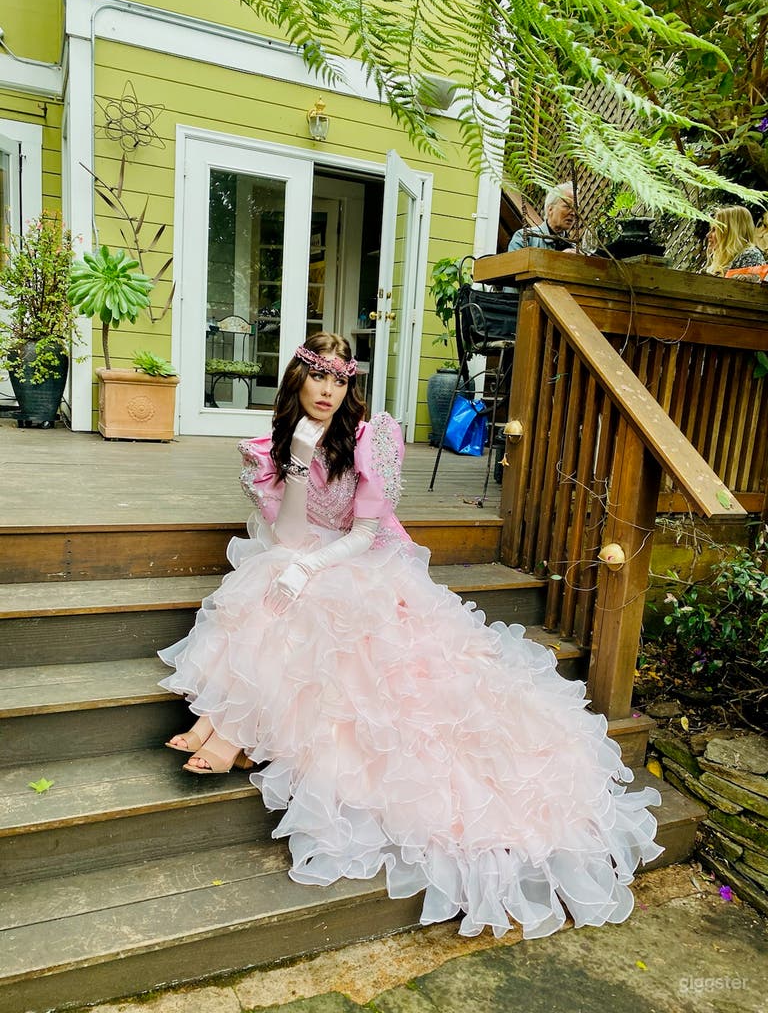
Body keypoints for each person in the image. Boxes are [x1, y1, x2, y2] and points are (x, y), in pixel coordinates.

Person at [159, 331, 661, 940]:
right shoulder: (266, 451)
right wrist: (296, 461)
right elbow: (289, 536)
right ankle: (223, 725)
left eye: (341, 380)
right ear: (297, 381)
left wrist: (311, 567)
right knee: (272, 589)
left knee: (311, 598)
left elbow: (366, 534)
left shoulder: (374, 440)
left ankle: (223, 728)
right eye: (319, 377)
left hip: (366, 558)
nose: (329, 391)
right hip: (303, 551)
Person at [507, 183, 577, 252]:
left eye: (576, 208)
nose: (573, 213)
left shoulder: (574, 248)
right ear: (550, 209)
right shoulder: (525, 237)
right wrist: (562, 258)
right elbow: (516, 263)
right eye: (567, 206)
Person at [705, 206, 765, 276]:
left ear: (730, 233)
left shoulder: (750, 255)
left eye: (714, 230)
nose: (708, 235)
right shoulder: (724, 260)